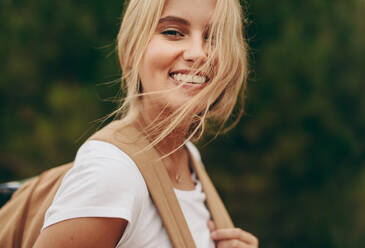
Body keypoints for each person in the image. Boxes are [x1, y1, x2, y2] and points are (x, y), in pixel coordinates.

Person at [32, 0, 258, 247]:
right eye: (172, 32)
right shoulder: (112, 173)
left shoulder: (189, 158)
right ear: (131, 50)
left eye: (214, 37)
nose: (199, 53)